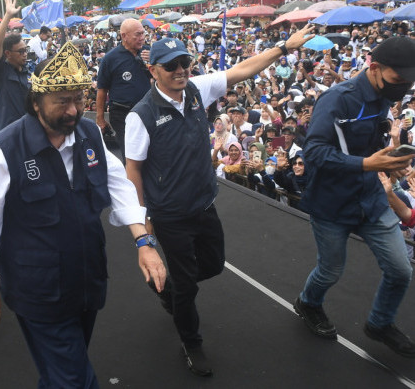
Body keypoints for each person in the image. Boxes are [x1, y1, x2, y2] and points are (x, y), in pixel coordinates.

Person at [0, 42, 166, 388]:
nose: (74, 110)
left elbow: (118, 183)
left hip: (86, 281)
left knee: (61, 372)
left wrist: (144, 241)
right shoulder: (1, 151)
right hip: (39, 291)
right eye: (62, 101)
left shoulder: (89, 134)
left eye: (79, 99)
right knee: (76, 380)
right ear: (36, 102)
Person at [124, 27, 315, 377]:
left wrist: (282, 47)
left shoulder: (197, 89)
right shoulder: (141, 115)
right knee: (186, 286)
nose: (181, 69)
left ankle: (171, 290)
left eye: (185, 61)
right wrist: (143, 221)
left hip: (204, 203)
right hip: (169, 214)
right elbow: (133, 169)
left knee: (213, 265)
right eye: (171, 65)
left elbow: (243, 69)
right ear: (154, 71)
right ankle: (191, 342)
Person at [294, 36, 415, 358]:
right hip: (331, 202)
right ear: (374, 68)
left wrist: (391, 161)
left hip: (371, 198)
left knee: (401, 270)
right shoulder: (337, 99)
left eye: (408, 82)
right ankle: (308, 303)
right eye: (397, 80)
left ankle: (380, 323)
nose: (401, 87)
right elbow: (315, 152)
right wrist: (367, 163)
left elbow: (367, 143)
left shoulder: (383, 96)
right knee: (330, 270)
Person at [95, 19, 151, 159]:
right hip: (122, 113)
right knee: (131, 154)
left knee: (151, 151)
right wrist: (100, 118)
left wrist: (155, 63)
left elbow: (161, 78)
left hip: (147, 110)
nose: (142, 38)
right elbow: (102, 90)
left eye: (143, 34)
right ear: (124, 36)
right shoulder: (111, 59)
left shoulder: (149, 53)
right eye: (137, 35)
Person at [0, 0, 30, 132]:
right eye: (21, 51)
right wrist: (7, 16)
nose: (25, 54)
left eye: (26, 50)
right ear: (7, 53)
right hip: (8, 134)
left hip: (28, 130)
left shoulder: (28, 72)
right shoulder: (0, 71)